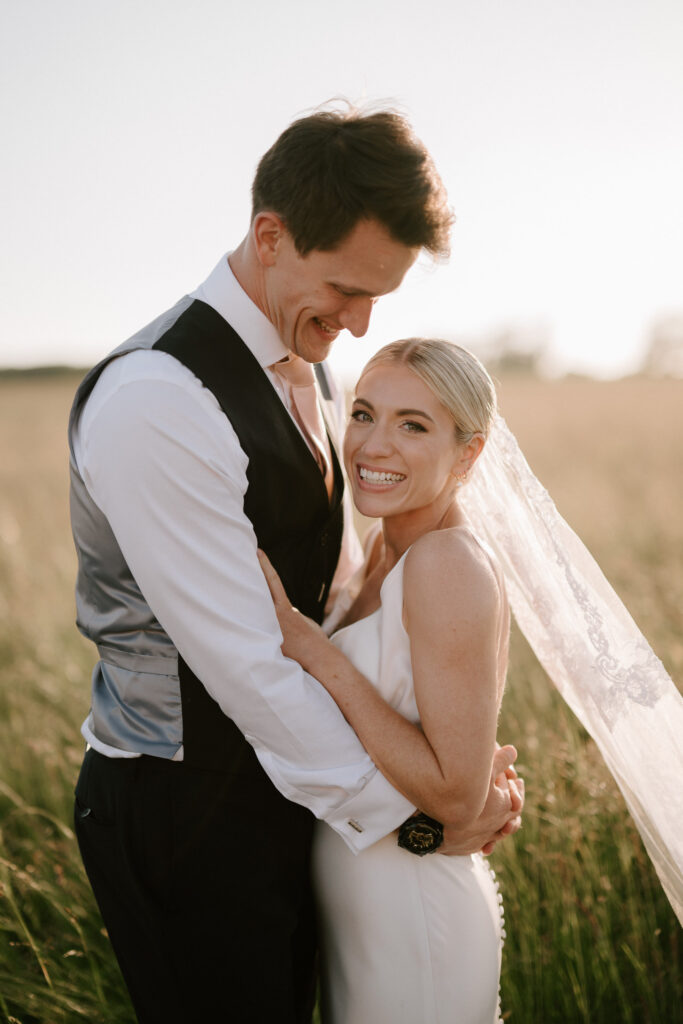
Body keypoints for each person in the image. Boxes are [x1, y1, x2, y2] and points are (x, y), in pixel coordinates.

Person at [68, 105, 523, 1023]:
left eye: (378, 299)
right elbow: (250, 663)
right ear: (268, 237)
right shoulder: (158, 395)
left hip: (301, 800)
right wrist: (422, 820)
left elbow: (333, 593)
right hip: (185, 804)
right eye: (346, 290)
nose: (358, 327)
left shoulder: (304, 363)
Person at [259, 338, 512, 1023]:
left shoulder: (444, 565)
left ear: (469, 452)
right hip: (364, 902)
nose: (373, 445)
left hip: (414, 911)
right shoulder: (382, 546)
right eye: (365, 414)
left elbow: (457, 797)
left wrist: (322, 656)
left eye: (412, 425)